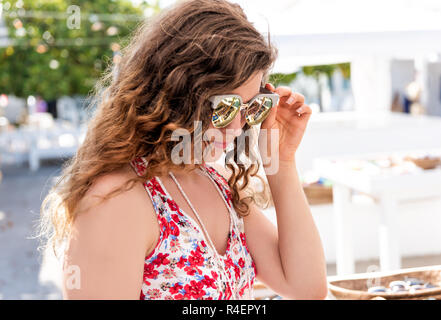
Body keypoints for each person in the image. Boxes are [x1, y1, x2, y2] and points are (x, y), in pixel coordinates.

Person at [39, 0, 327, 300]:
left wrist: (281, 158)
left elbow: (307, 288)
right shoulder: (115, 200)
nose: (238, 126)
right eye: (224, 107)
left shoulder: (214, 185)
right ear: (176, 94)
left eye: (251, 107)